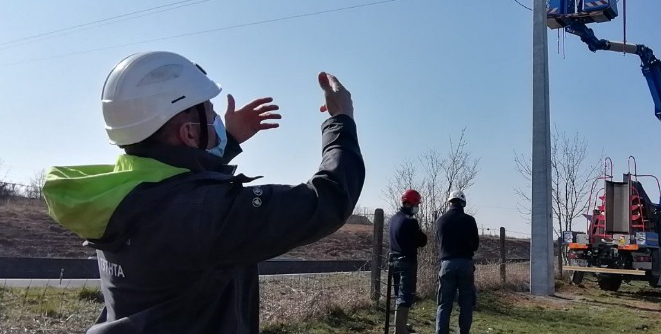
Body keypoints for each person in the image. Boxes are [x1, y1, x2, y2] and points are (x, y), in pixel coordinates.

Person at [41, 51, 365, 334]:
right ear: (188, 132)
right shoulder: (205, 214)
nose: (216, 118)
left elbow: (180, 194)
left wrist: (228, 142)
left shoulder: (120, 197)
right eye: (210, 112)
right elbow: (329, 198)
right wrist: (341, 120)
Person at [434, 190, 479, 334]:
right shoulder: (470, 220)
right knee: (466, 304)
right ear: (463, 203)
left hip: (446, 264)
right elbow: (476, 245)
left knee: (444, 303)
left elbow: (439, 242)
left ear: (449, 203)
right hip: (465, 264)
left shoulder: (440, 220)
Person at [388, 189, 428, 334]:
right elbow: (422, 241)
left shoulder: (393, 219)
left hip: (393, 260)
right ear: (410, 204)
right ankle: (400, 329)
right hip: (407, 261)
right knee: (405, 295)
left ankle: (401, 324)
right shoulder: (410, 222)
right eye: (416, 205)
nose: (417, 207)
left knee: (398, 292)